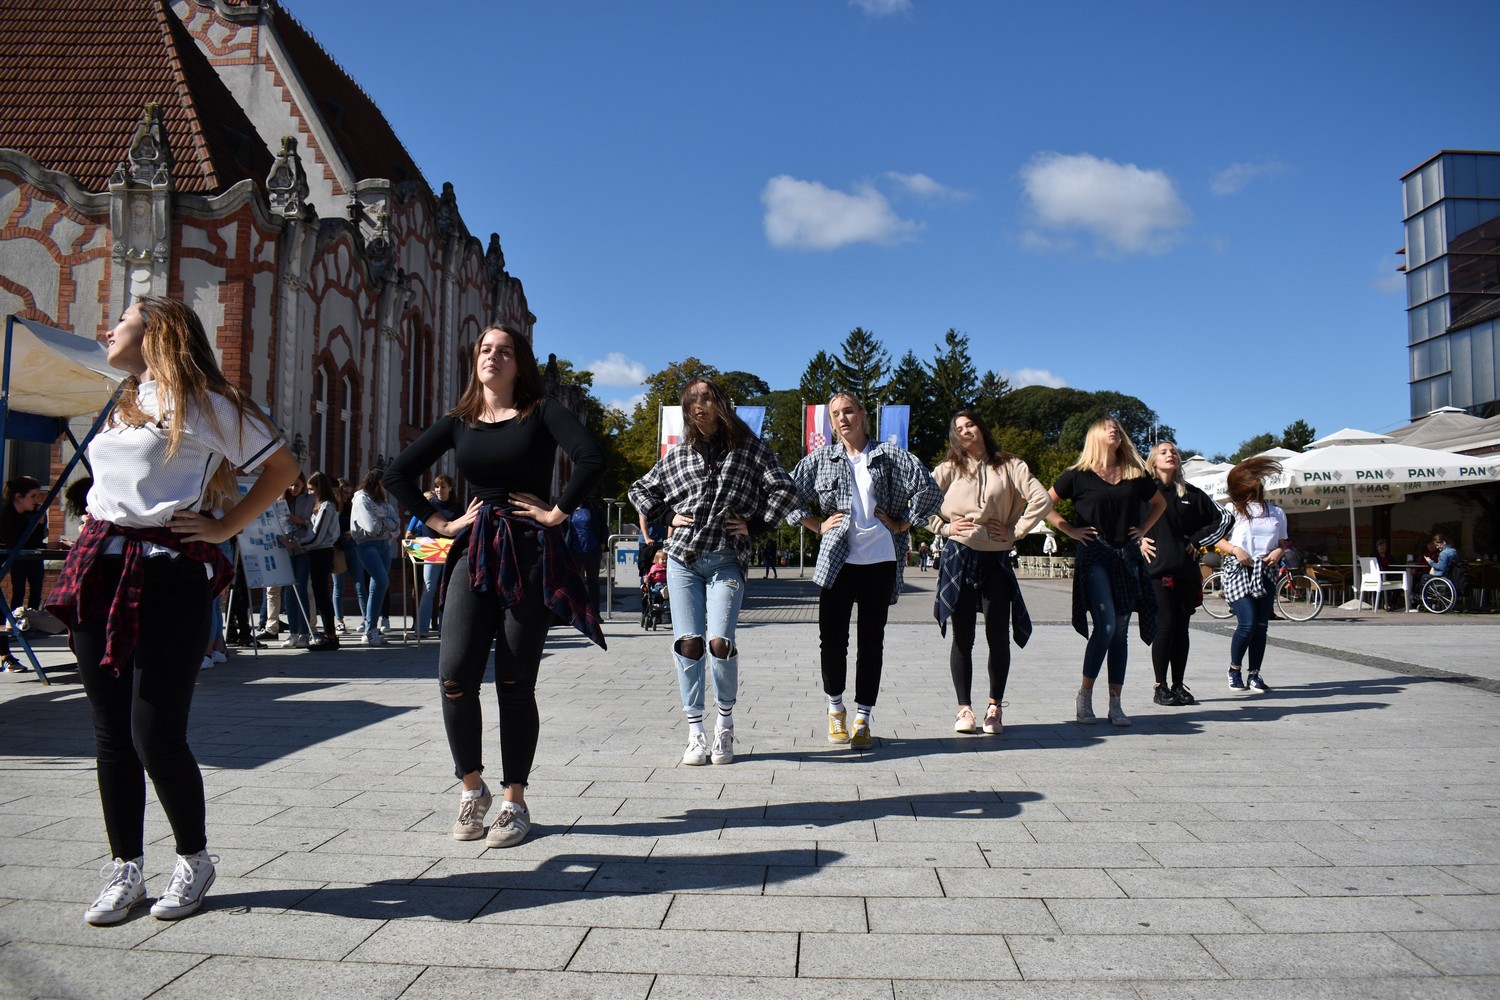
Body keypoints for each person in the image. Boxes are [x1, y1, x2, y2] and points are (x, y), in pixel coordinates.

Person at [43, 295, 298, 925]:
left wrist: (224, 527)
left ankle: (193, 859)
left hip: (167, 574)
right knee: (110, 734)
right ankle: (125, 868)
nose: (108, 329)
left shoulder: (206, 403)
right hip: (99, 568)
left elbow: (282, 469)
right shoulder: (124, 399)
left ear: (155, 333)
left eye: (122, 321)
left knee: (155, 734)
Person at [384, 323, 605, 850]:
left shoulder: (542, 411)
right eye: (485, 349)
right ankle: (471, 789)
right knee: (455, 674)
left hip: (529, 552)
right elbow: (397, 475)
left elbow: (591, 457)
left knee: (514, 681)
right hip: (474, 549)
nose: (493, 356)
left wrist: (556, 512)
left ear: (519, 362)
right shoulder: (459, 421)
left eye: (504, 350)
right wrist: (441, 524)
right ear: (475, 359)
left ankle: (514, 801)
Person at [629, 376, 798, 766]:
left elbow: (784, 490)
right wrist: (667, 516)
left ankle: (724, 723)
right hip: (682, 560)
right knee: (688, 642)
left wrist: (755, 524)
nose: (699, 404)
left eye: (706, 397)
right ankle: (695, 731)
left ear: (721, 404)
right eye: (691, 400)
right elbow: (640, 490)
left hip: (726, 559)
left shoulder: (749, 448)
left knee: (719, 642)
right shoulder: (679, 454)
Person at [789, 392, 941, 747]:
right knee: (832, 640)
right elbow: (784, 493)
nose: (843, 418)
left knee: (871, 641)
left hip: (880, 560)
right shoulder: (821, 459)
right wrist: (816, 525)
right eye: (836, 414)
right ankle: (835, 710)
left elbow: (931, 490)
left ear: (862, 414)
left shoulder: (890, 455)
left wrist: (904, 523)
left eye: (849, 411)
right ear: (831, 422)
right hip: (837, 560)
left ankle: (863, 718)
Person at [929, 411, 1051, 736]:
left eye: (970, 424)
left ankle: (995, 707)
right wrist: (944, 527)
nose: (965, 430)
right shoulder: (948, 468)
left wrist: (1016, 531)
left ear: (981, 427)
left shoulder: (1010, 465)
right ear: (954, 436)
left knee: (998, 636)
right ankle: (964, 709)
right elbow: (918, 501)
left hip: (996, 558)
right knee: (962, 637)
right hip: (958, 554)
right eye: (958, 428)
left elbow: (1042, 499)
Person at [1046, 418, 1166, 727]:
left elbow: (1159, 503)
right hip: (1095, 552)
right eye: (1107, 426)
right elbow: (1044, 504)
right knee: (1107, 625)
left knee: (1121, 631)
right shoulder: (1078, 475)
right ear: (1095, 436)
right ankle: (1085, 695)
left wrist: (1143, 528)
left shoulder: (1135, 474)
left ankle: (1115, 703)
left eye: (1117, 427)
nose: (1114, 429)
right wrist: (1070, 530)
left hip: (1126, 554)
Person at [1142, 442, 1231, 707]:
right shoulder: (1142, 492)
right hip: (1156, 572)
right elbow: (1120, 520)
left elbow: (1225, 518)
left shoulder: (1192, 493)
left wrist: (1198, 540)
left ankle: (1178, 685)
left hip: (1186, 571)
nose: (1170, 454)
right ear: (1153, 461)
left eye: (1174, 451)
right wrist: (1138, 540)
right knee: (1166, 626)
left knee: (1181, 629)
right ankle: (1160, 687)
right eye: (1163, 452)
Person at [1207, 456, 1287, 693]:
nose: (1257, 482)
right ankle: (1234, 670)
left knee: (1261, 626)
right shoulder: (1232, 510)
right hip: (1238, 570)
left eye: (1258, 479)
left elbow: (1283, 543)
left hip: (1265, 571)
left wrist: (1278, 552)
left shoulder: (1276, 512)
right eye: (1252, 478)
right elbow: (1216, 539)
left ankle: (1254, 674)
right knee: (1248, 623)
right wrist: (1235, 549)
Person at [281, 472, 342, 651]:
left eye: (311, 489)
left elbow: (317, 536)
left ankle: (330, 636)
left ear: (319, 488)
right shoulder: (322, 505)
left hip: (321, 552)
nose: (309, 493)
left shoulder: (326, 506)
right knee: (319, 593)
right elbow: (315, 531)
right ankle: (329, 634)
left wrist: (296, 544)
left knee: (321, 594)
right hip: (317, 551)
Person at [350, 470, 400, 645]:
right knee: (382, 580)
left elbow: (396, 524)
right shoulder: (361, 499)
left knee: (378, 586)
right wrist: (386, 524)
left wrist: (382, 524)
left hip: (384, 545)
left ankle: (371, 629)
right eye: (384, 484)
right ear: (376, 482)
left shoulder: (382, 501)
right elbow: (371, 527)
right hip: (366, 544)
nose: (386, 488)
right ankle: (370, 630)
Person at [407, 475, 458, 637]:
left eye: (443, 487)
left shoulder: (457, 507)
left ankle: (445, 628)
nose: (439, 490)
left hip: (450, 551)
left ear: (450, 488)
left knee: (447, 590)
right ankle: (421, 628)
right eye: (437, 487)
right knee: (428, 588)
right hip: (432, 549)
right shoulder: (429, 504)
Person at [2, 476, 48, 621]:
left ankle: (32, 619)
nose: (36, 500)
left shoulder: (24, 516)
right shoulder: (5, 514)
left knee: (35, 588)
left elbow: (33, 541)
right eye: (33, 496)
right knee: (19, 590)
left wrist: (40, 523)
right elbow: (15, 542)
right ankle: (14, 620)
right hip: (13, 556)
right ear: (19, 497)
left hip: (23, 556)